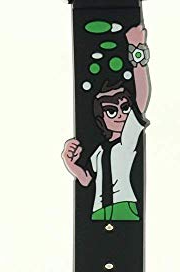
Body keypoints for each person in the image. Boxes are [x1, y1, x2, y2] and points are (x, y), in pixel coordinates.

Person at [62, 25, 151, 221]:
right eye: (111, 111)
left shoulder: (127, 140)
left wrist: (137, 50)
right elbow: (87, 180)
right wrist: (70, 163)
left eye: (125, 108)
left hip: (123, 206)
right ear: (101, 118)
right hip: (98, 210)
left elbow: (141, 98)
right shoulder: (99, 152)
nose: (120, 115)